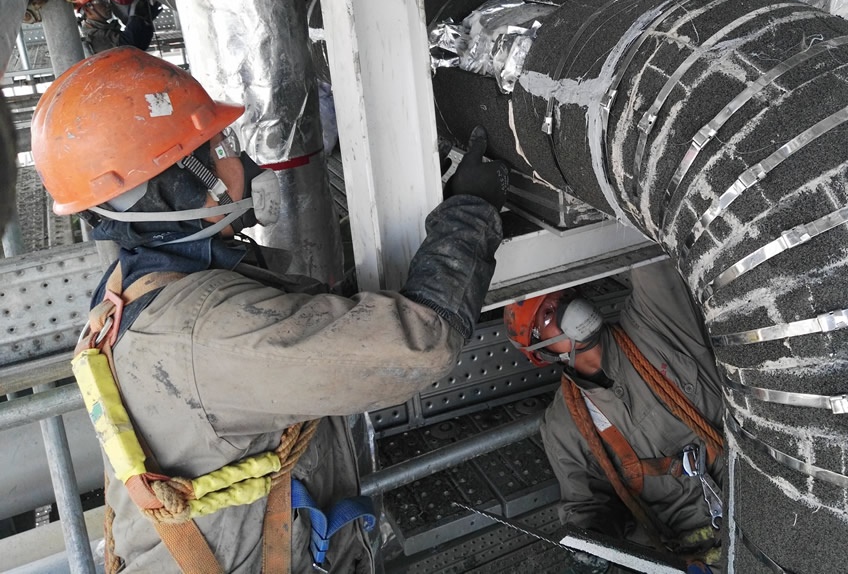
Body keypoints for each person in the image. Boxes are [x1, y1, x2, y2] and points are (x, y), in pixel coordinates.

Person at [30, 47, 509, 574]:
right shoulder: (207, 333)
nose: (242, 163)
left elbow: (297, 325)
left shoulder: (131, 290)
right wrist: (472, 212)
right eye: (218, 149)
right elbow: (421, 344)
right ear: (180, 184)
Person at [506, 259, 725, 572]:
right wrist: (594, 537)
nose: (567, 306)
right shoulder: (564, 425)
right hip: (692, 558)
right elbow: (586, 503)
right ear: (541, 351)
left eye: (564, 295)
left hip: (760, 500)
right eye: (549, 312)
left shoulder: (655, 325)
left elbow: (652, 260)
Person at [73, 0, 161, 55]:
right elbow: (127, 46)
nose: (107, 4)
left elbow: (140, 46)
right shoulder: (93, 37)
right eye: (101, 1)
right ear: (87, 10)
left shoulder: (104, 29)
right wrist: (138, 18)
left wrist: (146, 21)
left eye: (107, 0)